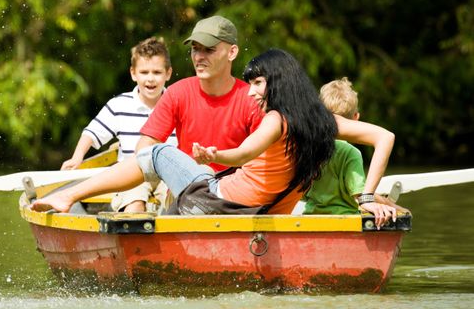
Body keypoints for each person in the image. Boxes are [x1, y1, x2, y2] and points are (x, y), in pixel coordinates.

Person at [31, 48, 341, 216]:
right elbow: (384, 137)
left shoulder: (274, 119)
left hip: (218, 204)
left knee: (157, 153)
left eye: (258, 83)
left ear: (281, 82)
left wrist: (217, 154)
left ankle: (68, 195)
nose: (250, 92)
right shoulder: (322, 123)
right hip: (258, 212)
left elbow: (246, 153)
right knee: (184, 169)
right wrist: (368, 198)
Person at [60, 36, 177, 212]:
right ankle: (133, 232)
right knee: (134, 205)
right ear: (133, 73)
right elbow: (92, 133)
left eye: (157, 72)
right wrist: (77, 157)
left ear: (168, 73)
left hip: (167, 175)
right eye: (144, 72)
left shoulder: (177, 103)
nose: (150, 79)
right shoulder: (119, 105)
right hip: (130, 175)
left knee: (178, 205)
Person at [300, 77, 407, 219]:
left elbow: (303, 194)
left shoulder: (310, 149)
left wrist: (386, 202)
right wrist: (396, 208)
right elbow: (359, 196)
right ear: (356, 117)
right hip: (345, 220)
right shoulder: (350, 153)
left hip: (310, 218)